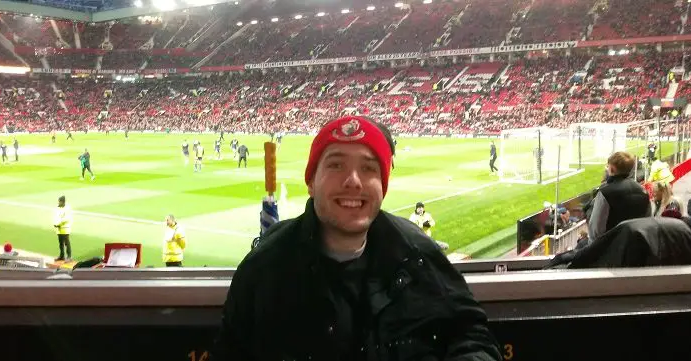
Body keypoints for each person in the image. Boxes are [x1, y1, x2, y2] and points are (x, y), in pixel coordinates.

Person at [213, 116, 501, 361]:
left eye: (368, 168)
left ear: (383, 186)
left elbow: (472, 337)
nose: (353, 180)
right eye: (336, 165)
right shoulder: (265, 267)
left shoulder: (417, 255)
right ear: (311, 182)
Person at [587, 151, 652, 243]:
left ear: (612, 169)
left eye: (608, 165)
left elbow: (596, 230)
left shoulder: (606, 192)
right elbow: (648, 221)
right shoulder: (642, 191)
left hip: (612, 247)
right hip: (635, 245)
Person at [52, 195, 73, 261]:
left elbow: (66, 219)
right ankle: (62, 256)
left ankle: (69, 256)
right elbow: (56, 216)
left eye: (60, 201)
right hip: (59, 229)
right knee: (60, 243)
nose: (58, 202)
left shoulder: (67, 208)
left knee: (66, 243)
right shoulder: (58, 208)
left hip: (65, 228)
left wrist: (58, 224)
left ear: (63, 202)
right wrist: (55, 223)